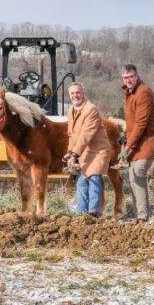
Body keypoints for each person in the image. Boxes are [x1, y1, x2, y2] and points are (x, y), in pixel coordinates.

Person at [121, 64, 154, 222]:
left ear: (137, 76)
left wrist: (128, 146)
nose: (128, 80)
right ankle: (139, 214)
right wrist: (126, 136)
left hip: (148, 140)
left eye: (131, 77)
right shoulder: (130, 93)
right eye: (125, 78)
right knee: (132, 177)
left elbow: (141, 123)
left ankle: (143, 216)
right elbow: (132, 121)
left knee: (138, 171)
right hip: (137, 141)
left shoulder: (143, 92)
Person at [65, 83, 112, 217]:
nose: (75, 95)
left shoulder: (91, 110)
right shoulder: (70, 111)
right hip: (83, 151)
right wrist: (69, 153)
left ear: (83, 93)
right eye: (72, 94)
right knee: (81, 181)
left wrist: (75, 154)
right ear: (70, 96)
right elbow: (72, 135)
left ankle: (94, 213)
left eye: (78, 92)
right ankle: (81, 214)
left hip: (97, 150)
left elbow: (86, 134)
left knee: (93, 178)